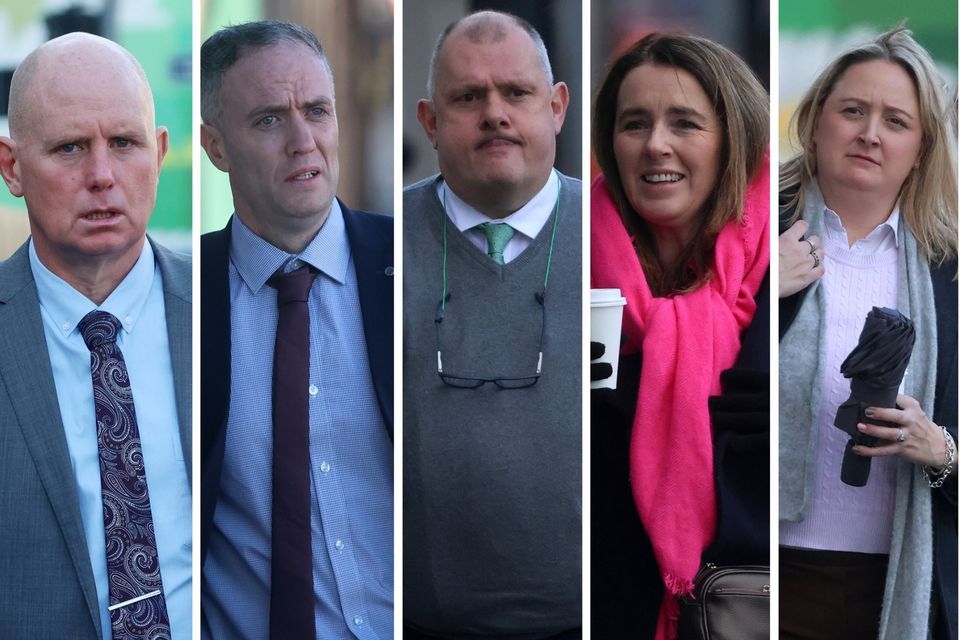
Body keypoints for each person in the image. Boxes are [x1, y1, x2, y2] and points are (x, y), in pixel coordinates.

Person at [198, 21, 393, 640]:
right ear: (215, 147)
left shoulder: (410, 266)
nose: (304, 141)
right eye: (268, 120)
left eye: (317, 111)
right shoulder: (176, 295)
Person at [0, 33, 191, 640]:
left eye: (125, 143)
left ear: (159, 153)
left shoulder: (229, 303)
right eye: (70, 147)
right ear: (12, 167)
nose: (102, 175)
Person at [403, 10, 581, 639]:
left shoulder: (622, 233)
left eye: (516, 93)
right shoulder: (375, 250)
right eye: (468, 96)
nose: (495, 113)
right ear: (430, 120)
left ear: (556, 106)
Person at [778, 27, 957, 640]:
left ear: (923, 145)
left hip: (900, 586)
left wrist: (941, 450)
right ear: (816, 121)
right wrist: (754, 291)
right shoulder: (746, 236)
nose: (870, 133)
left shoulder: (949, 272)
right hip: (762, 575)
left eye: (896, 121)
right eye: (853, 110)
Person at [590, 33, 770, 639]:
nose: (655, 145)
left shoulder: (786, 270)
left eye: (685, 123)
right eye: (634, 123)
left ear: (732, 142)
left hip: (744, 608)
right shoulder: (566, 254)